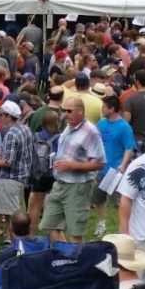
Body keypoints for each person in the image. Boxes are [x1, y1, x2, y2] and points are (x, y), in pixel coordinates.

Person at [41, 97, 105, 243]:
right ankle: (67, 256)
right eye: (64, 110)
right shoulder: (68, 126)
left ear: (80, 112)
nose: (65, 114)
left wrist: (72, 165)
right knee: (50, 225)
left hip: (78, 187)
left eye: (69, 111)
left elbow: (100, 163)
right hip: (60, 183)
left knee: (75, 232)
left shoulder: (91, 132)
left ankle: (75, 261)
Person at [92, 95, 136, 237]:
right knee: (98, 199)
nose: (101, 109)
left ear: (111, 109)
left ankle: (122, 230)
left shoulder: (124, 127)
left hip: (116, 171)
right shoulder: (102, 123)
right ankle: (101, 224)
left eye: (104, 106)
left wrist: (123, 165)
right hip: (100, 169)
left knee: (118, 202)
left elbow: (128, 148)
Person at [0, 101, 33, 245]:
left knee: (12, 217)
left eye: (1, 115)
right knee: (15, 213)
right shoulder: (24, 129)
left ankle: (17, 246)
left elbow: (7, 162)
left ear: (8, 116)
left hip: (9, 178)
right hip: (22, 177)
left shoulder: (10, 134)